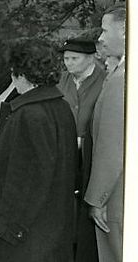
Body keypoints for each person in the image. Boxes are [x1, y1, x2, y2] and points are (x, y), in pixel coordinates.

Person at [0, 40, 77, 262]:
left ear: (20, 74)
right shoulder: (61, 108)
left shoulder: (28, 114)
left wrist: (8, 227)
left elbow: (24, 179)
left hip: (20, 237)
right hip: (49, 230)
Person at [56, 34, 106, 262]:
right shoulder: (61, 80)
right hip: (63, 155)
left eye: (74, 58)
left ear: (90, 58)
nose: (69, 63)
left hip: (91, 158)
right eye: (66, 58)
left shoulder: (105, 81)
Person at [85, 5, 125, 262]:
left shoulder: (123, 80)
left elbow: (112, 147)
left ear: (124, 30)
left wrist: (96, 199)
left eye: (104, 29)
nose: (100, 38)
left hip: (118, 197)